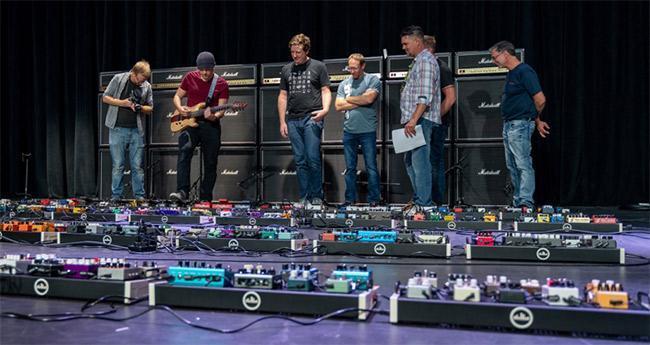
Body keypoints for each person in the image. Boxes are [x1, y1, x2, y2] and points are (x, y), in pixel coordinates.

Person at [489, 40, 550, 208]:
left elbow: (540, 99)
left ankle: (526, 202)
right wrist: (537, 120)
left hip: (520, 125)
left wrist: (532, 118)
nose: (494, 62)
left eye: (495, 58)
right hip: (510, 125)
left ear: (505, 54)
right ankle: (518, 201)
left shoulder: (525, 71)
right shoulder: (511, 73)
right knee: (512, 165)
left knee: (523, 164)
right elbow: (526, 100)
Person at [277, 33, 331, 206]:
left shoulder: (318, 66)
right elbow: (283, 96)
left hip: (312, 117)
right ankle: (304, 197)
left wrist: (325, 110)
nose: (295, 55)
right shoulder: (286, 69)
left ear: (306, 50)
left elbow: (325, 91)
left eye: (298, 52)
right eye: (292, 52)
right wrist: (282, 121)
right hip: (293, 119)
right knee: (300, 160)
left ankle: (317, 196)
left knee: (313, 158)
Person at [169, 51, 229, 202]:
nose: (205, 73)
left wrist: (213, 116)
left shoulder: (221, 83)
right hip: (190, 122)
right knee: (184, 152)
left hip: (211, 125)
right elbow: (177, 96)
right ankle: (182, 192)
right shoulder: (190, 77)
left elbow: (221, 110)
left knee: (210, 162)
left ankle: (205, 197)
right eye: (202, 69)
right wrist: (180, 107)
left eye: (208, 69)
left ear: (213, 68)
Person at [399, 25, 440, 207]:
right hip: (413, 120)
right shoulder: (418, 61)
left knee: (420, 163)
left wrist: (414, 119)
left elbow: (425, 95)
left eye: (406, 43)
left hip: (420, 120)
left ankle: (424, 203)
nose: (404, 47)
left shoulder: (426, 61)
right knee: (410, 161)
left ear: (417, 41)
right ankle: (418, 199)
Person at [334, 53, 382, 206]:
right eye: (350, 68)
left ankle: (374, 199)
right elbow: (337, 106)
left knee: (371, 166)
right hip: (349, 131)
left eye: (355, 68)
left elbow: (369, 99)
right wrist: (359, 99)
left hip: (367, 130)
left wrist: (348, 99)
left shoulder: (372, 80)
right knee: (350, 168)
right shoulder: (344, 84)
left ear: (363, 66)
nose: (352, 71)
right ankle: (349, 200)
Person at [102, 60, 153, 200]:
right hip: (117, 128)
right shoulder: (119, 79)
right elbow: (105, 97)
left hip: (137, 130)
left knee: (137, 166)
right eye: (140, 80)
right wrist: (122, 103)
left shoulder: (146, 86)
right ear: (134, 73)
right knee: (118, 165)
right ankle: (116, 196)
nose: (141, 83)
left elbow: (150, 108)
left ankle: (139, 196)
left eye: (144, 80)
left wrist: (140, 108)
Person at [424, 35, 456, 205]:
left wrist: (433, 117)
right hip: (421, 122)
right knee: (420, 163)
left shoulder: (441, 67)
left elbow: (450, 98)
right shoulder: (422, 67)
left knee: (434, 162)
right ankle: (423, 199)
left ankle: (436, 203)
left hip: (436, 124)